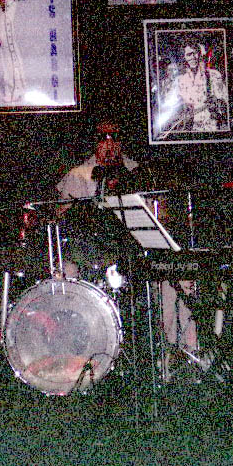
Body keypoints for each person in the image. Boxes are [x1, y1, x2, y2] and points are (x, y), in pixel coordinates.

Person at [55, 121, 207, 378]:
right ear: (94, 142)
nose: (109, 143)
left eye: (114, 136)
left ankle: (180, 355)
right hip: (91, 254)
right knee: (64, 273)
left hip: (135, 254)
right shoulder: (78, 175)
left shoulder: (140, 172)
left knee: (179, 278)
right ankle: (76, 356)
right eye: (103, 137)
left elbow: (161, 216)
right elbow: (62, 218)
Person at [175, 43, 229, 133]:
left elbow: (226, 101)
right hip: (190, 129)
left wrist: (217, 102)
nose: (193, 57)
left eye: (195, 53)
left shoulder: (213, 75)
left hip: (212, 127)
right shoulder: (180, 80)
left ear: (199, 55)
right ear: (184, 57)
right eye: (189, 54)